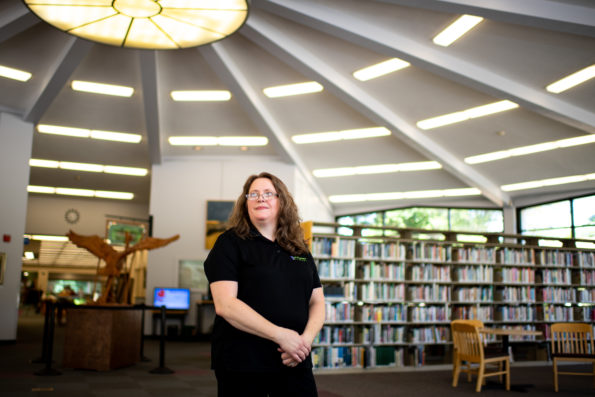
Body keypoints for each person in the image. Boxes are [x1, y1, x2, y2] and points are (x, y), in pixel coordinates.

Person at [204, 172, 325, 397]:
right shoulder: (229, 243)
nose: (261, 198)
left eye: (268, 193)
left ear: (282, 201)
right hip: (244, 362)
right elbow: (225, 305)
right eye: (254, 194)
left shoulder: (298, 247)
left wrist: (303, 342)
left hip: (294, 358)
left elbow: (317, 301)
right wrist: (281, 336)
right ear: (246, 203)